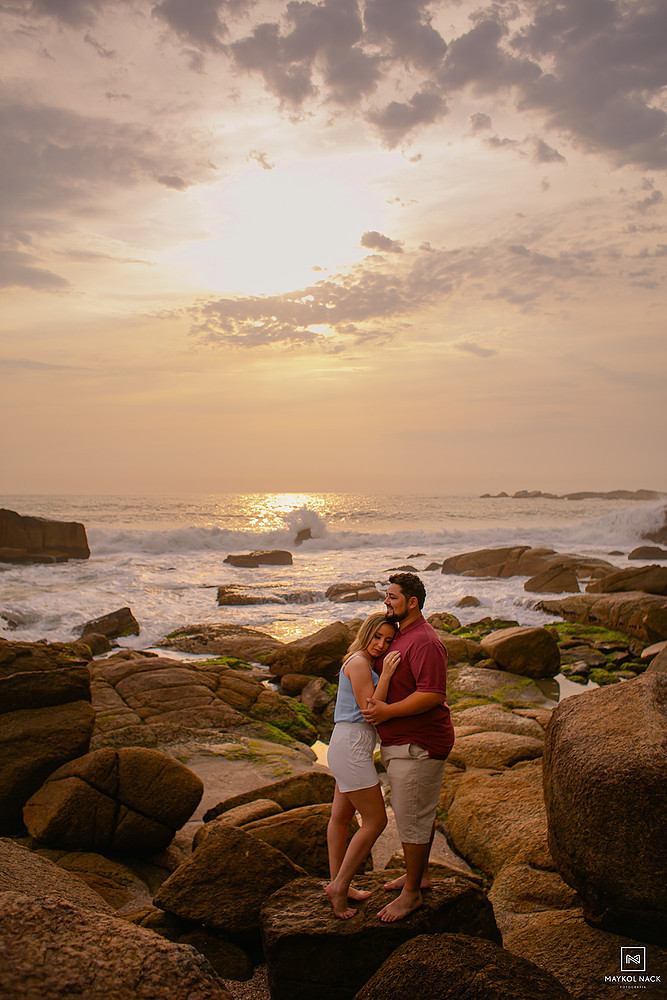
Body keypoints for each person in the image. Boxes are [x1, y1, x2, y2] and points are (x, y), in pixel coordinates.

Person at [362, 572, 454, 922]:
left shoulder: (425, 642)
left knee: (412, 817)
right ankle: (420, 874)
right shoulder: (403, 634)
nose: (387, 602)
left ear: (412, 602)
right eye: (386, 596)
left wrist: (387, 711)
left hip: (420, 743)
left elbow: (433, 695)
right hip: (404, 742)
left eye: (393, 597)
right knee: (417, 812)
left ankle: (412, 893)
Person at [325, 612, 400, 919]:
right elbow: (370, 711)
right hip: (352, 746)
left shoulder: (362, 662)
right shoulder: (358, 663)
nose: (381, 645)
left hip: (347, 744)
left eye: (388, 640)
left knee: (341, 817)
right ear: (366, 633)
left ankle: (338, 882)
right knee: (376, 821)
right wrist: (386, 676)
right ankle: (340, 887)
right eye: (377, 637)